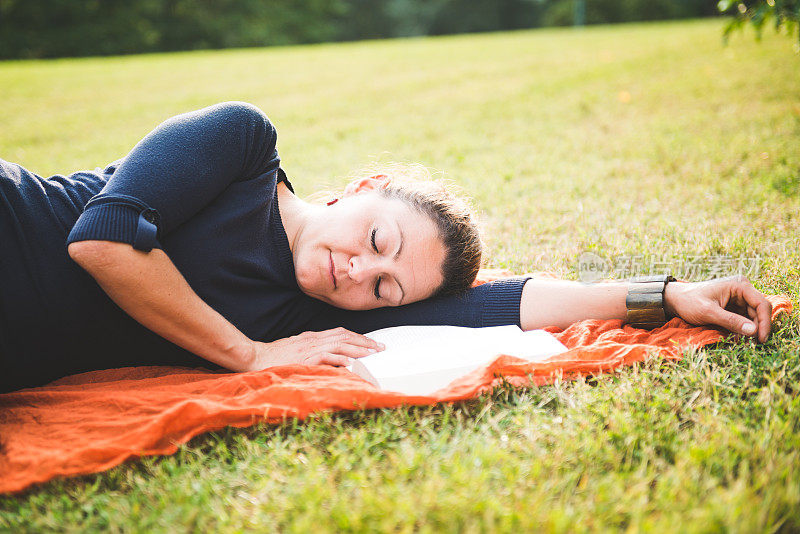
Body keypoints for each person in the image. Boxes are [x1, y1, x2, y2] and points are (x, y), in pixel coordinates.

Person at [0, 102, 773, 393]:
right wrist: (247, 357)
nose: (359, 272)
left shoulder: (314, 312)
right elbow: (101, 239)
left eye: (384, 288)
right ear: (362, 187)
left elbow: (519, 301)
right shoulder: (241, 145)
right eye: (377, 240)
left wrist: (667, 294)